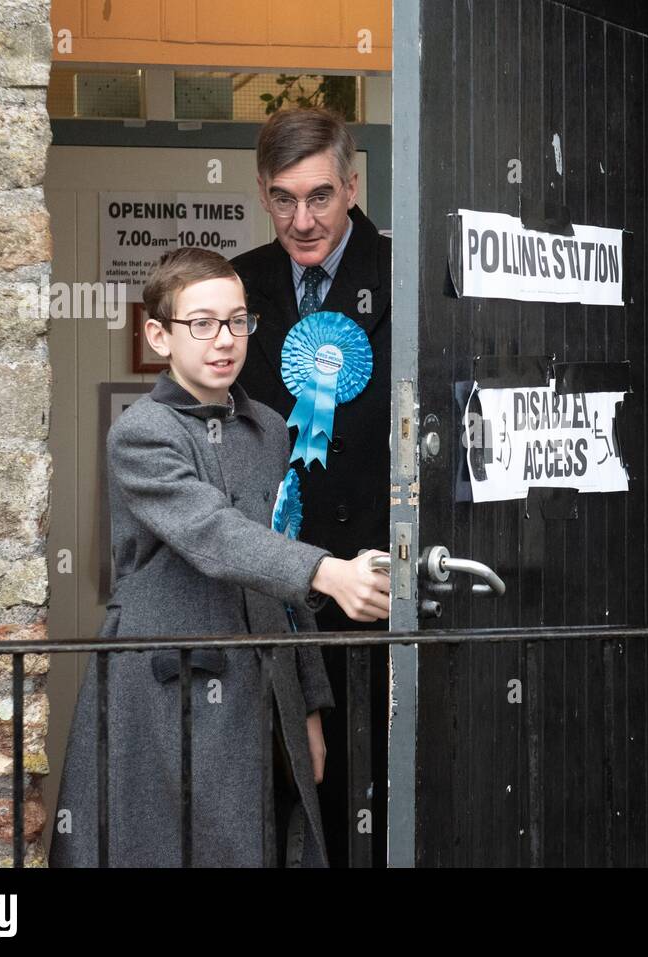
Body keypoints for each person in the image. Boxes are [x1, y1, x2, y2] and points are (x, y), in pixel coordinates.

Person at [49, 247, 390, 868]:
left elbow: (276, 552)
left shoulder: (268, 427)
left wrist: (308, 703)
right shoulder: (141, 431)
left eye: (238, 321)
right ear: (158, 335)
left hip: (261, 684)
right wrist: (329, 571)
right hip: (163, 686)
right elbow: (213, 533)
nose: (225, 340)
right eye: (201, 323)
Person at [232, 107, 392, 866]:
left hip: (382, 601)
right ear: (263, 193)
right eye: (283, 198)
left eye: (321, 196)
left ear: (353, 185)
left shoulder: (408, 274)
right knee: (278, 813)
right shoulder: (238, 287)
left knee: (378, 809)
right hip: (271, 601)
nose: (302, 219)